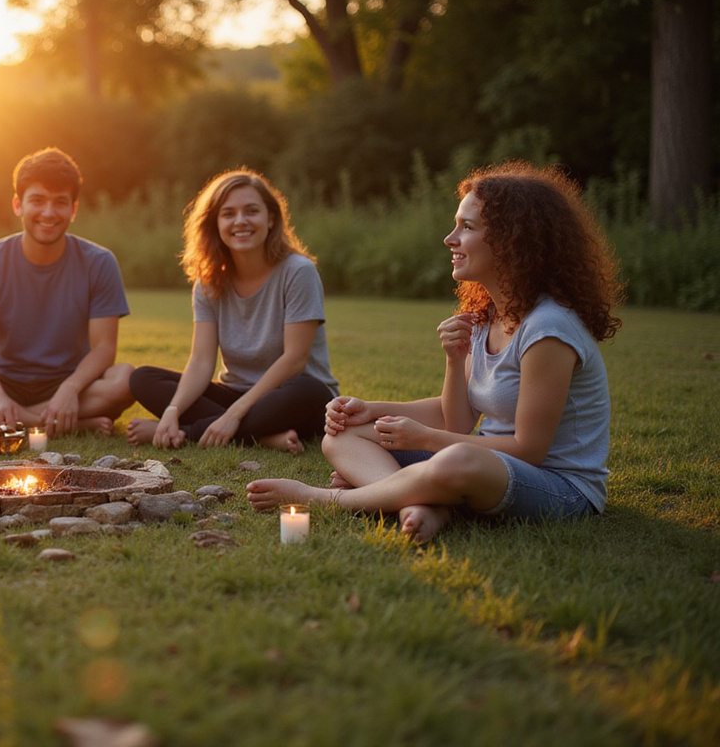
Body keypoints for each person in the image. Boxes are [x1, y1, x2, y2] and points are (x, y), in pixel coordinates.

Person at [246, 161, 624, 543]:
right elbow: (456, 421)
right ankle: (420, 505)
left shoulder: (548, 328)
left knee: (459, 460)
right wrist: (374, 408)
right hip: (486, 467)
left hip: (558, 488)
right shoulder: (487, 316)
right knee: (343, 435)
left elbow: (528, 451)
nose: (449, 238)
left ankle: (330, 498)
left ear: (513, 240)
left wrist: (425, 438)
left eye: (467, 227)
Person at [0, 147, 135, 438]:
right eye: (37, 200)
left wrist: (70, 389)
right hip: (3, 382)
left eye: (60, 202)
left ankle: (1, 422)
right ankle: (61, 423)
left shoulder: (100, 262)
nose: (48, 212)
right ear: (17, 205)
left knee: (126, 380)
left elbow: (104, 348)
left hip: (71, 383)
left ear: (73, 210)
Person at [126, 169, 338, 454]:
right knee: (143, 378)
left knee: (307, 390)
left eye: (252, 211)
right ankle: (264, 436)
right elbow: (201, 360)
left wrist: (234, 414)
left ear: (271, 218)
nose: (240, 221)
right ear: (215, 223)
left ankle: (192, 432)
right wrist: (172, 410)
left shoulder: (298, 271)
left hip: (293, 397)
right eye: (228, 214)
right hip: (236, 393)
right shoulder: (208, 282)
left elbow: (294, 360)